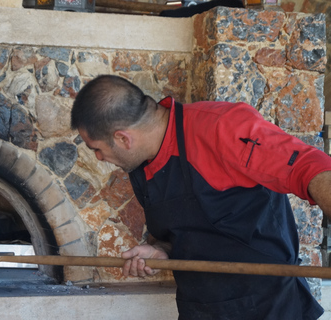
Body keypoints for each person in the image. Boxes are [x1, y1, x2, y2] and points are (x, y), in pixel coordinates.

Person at [70, 74, 331, 320]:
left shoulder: (221, 127)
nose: (99, 159)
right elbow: (182, 235)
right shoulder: (142, 167)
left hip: (268, 307)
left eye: (97, 149)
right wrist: (160, 251)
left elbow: (310, 168)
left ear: (123, 138)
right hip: (200, 308)